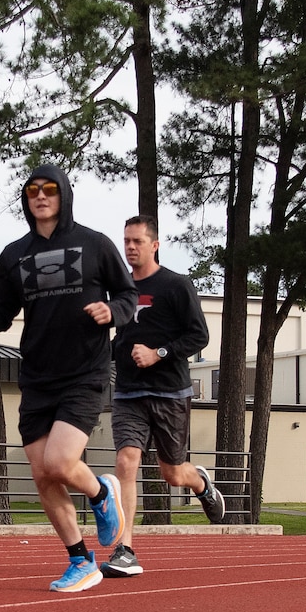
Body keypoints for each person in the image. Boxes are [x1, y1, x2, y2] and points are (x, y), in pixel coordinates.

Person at [0, 164, 136, 592]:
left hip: (85, 370)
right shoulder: (14, 254)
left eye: (49, 190)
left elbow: (129, 295)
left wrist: (111, 312)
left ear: (64, 195)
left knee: (60, 463)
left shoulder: (95, 244)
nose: (40, 196)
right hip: (37, 375)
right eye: (32, 191)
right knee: (42, 475)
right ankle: (82, 561)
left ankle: (99, 493)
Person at [104, 216, 227, 576]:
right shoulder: (120, 289)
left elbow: (198, 336)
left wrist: (157, 353)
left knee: (172, 473)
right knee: (126, 462)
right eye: (126, 240)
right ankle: (125, 550)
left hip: (170, 392)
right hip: (128, 393)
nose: (130, 247)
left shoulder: (176, 285)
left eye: (137, 241)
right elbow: (121, 338)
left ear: (154, 245)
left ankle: (201, 483)